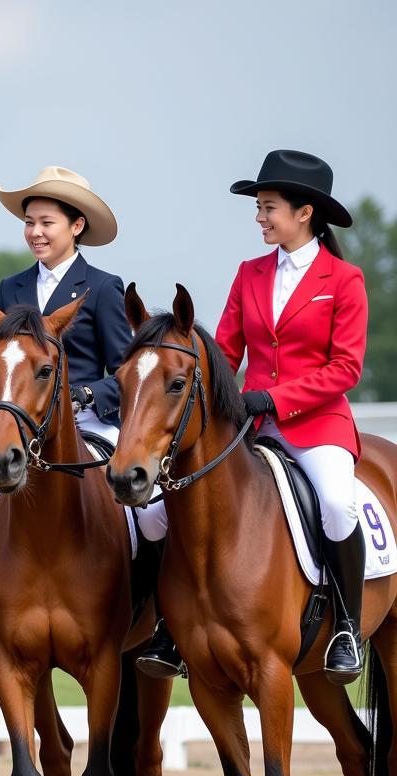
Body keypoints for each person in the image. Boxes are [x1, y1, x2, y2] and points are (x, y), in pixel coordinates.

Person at [0, 167, 135, 677]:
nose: (35, 232)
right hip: (24, 429)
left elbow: (126, 371)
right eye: (29, 222)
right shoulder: (13, 286)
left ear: (76, 226)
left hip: (92, 425)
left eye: (46, 222)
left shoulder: (104, 288)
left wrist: (87, 393)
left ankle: (157, 623)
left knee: (150, 512)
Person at [219, 149, 367, 684]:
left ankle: (347, 626)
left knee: (334, 502)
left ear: (304, 213)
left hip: (317, 425)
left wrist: (278, 399)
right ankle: (171, 624)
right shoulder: (249, 272)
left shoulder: (343, 279)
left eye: (268, 207)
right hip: (251, 424)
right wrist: (219, 396)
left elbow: (346, 367)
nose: (259, 217)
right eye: (258, 207)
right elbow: (225, 353)